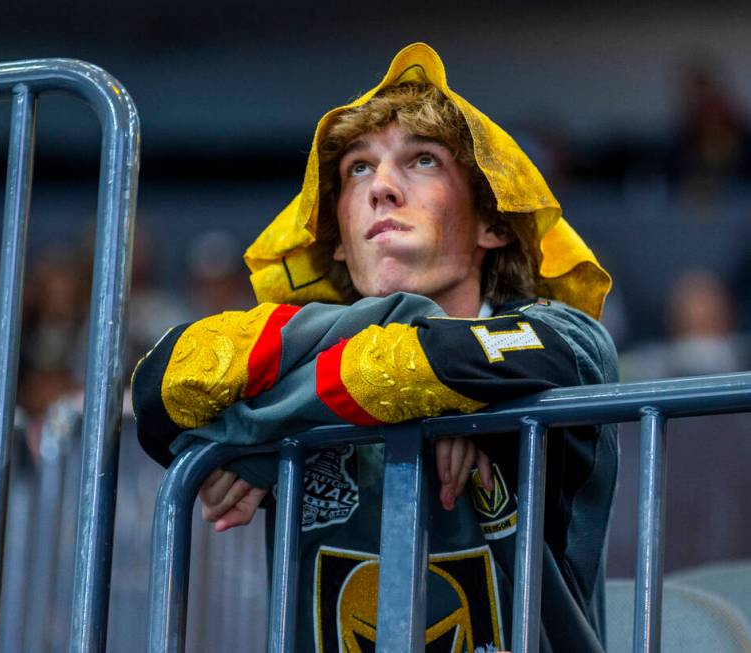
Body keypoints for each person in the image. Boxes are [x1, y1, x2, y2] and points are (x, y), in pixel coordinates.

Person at [132, 43, 617, 653]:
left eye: (422, 161)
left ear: (493, 223)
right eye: (358, 169)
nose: (382, 186)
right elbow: (160, 386)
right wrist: (433, 395)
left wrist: (254, 431)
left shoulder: (567, 340)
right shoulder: (297, 342)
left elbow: (440, 363)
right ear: (337, 241)